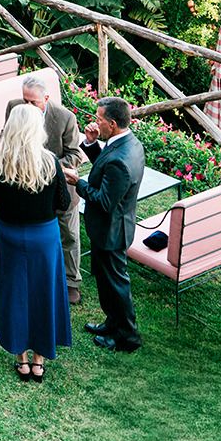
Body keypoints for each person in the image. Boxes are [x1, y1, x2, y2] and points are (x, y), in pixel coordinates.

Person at [0, 103, 72, 384]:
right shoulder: (49, 163)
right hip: (44, 236)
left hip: (10, 234)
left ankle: (20, 356)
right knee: (44, 292)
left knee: (15, 292)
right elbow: (63, 203)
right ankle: (39, 359)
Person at [64, 95, 145, 352]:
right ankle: (112, 323)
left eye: (99, 119)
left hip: (112, 231)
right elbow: (105, 165)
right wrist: (90, 144)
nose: (95, 122)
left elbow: (104, 200)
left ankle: (126, 337)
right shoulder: (127, 143)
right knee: (107, 282)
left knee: (116, 285)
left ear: (111, 123)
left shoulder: (121, 160)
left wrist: (80, 183)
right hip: (110, 229)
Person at [5, 77, 83, 303]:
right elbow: (6, 138)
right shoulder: (14, 107)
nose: (27, 106)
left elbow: (75, 154)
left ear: (46, 99)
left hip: (59, 186)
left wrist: (47, 166)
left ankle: (71, 282)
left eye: (33, 102)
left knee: (69, 234)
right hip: (27, 188)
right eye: (25, 100)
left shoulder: (65, 117)